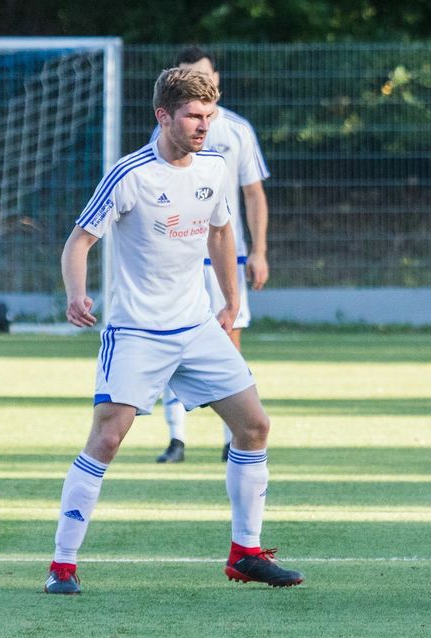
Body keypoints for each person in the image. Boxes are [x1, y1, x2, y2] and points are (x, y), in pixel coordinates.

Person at [43, 67, 301, 594]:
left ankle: (245, 553)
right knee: (108, 438)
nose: (204, 126)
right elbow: (78, 242)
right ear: (164, 116)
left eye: (209, 115)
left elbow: (222, 232)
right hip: (136, 331)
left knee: (253, 426)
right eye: (193, 116)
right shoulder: (130, 174)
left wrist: (231, 300)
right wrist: (76, 293)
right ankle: (62, 564)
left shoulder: (214, 167)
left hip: (196, 326)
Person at [154, 46, 271, 464]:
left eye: (201, 75)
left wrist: (258, 250)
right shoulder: (165, 133)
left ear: (216, 79)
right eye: (184, 75)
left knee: (228, 342)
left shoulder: (237, 131)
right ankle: (176, 438)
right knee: (169, 341)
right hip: (180, 260)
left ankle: (232, 437)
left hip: (226, 257)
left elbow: (253, 194)